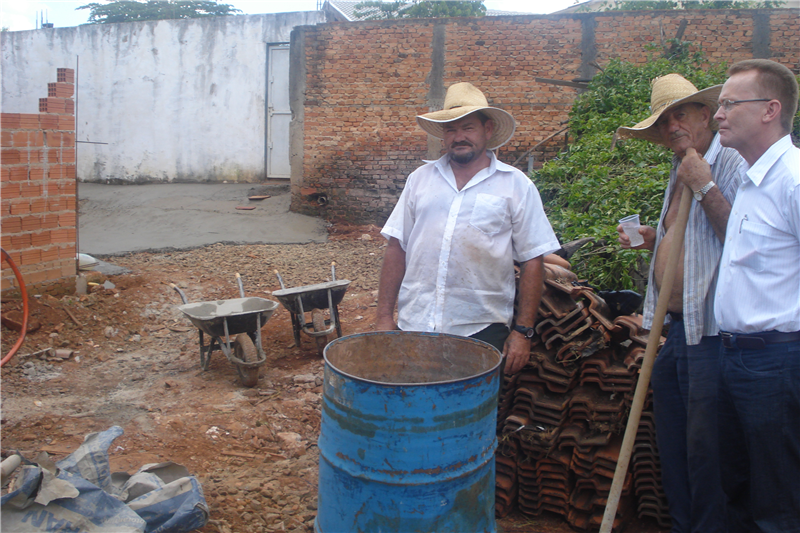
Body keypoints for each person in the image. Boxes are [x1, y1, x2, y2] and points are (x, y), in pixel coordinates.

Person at [614, 74, 743, 533]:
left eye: (681, 114)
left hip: (710, 331)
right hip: (673, 330)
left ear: (705, 114)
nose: (672, 125)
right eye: (664, 119)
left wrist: (706, 186)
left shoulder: (728, 162)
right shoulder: (679, 164)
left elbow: (745, 242)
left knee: (706, 450)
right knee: (674, 444)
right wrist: (655, 240)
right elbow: (690, 242)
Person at [376, 82, 560, 375]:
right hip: (416, 322)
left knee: (467, 414)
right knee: (414, 408)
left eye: (468, 128)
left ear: (487, 130)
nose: (459, 137)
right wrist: (385, 317)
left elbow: (532, 259)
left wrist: (522, 332)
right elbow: (397, 247)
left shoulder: (516, 186)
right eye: (450, 129)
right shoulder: (420, 180)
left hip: (481, 329)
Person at [710, 59, 800, 533]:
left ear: (770, 110)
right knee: (739, 491)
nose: (718, 114)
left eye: (728, 104)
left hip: (779, 363)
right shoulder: (750, 181)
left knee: (778, 499)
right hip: (735, 358)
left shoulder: (793, 180)